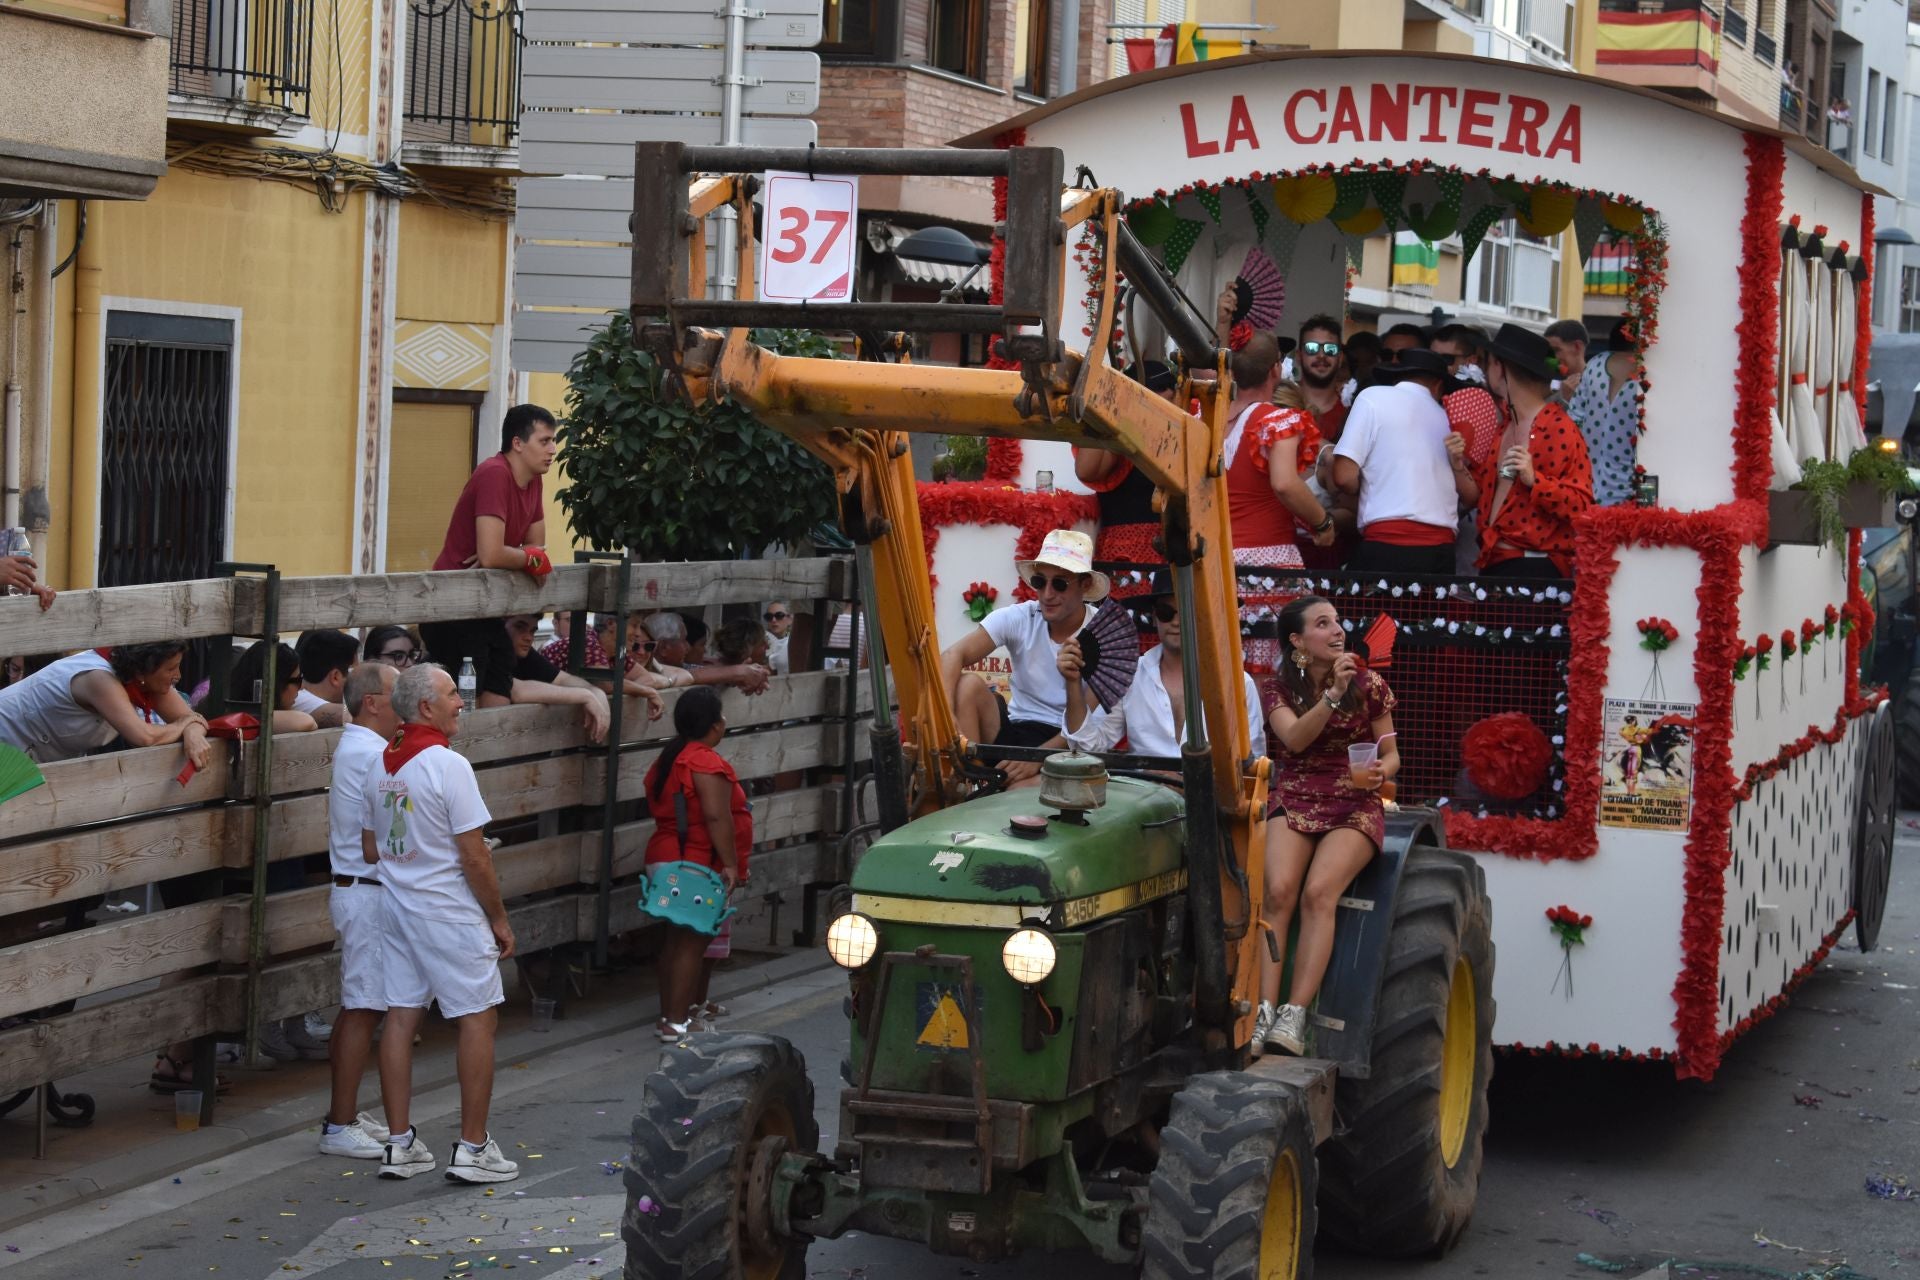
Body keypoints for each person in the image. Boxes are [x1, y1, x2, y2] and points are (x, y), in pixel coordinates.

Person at [370, 663, 518, 1184]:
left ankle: (399, 1145)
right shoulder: (448, 764)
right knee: (477, 1017)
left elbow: (372, 844)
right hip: (447, 909)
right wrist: (498, 917)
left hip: (397, 904)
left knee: (401, 1016)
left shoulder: (381, 762)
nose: (461, 702)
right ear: (426, 707)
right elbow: (475, 856)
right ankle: (473, 1148)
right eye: (453, 694)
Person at [1257, 595, 1399, 1057]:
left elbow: (1392, 754)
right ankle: (1262, 1011)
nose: (1338, 630)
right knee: (1277, 892)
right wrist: (1332, 695)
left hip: (1355, 802)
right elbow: (1295, 740)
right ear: (1298, 641)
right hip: (1296, 793)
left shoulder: (1369, 683)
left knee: (1319, 892)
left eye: (1337, 621)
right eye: (1323, 624)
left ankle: (1294, 1016)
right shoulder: (1277, 688)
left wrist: (1381, 772)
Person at [420, 404, 560, 711]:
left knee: (499, 680)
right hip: (454, 607)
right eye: (545, 441)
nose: (552, 449)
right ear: (518, 443)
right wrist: (520, 556)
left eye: (553, 441)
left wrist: (516, 555)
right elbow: (494, 553)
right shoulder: (495, 473)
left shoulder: (534, 479)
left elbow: (537, 549)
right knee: (467, 695)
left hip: (487, 605)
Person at [942, 529, 1108, 785]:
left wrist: (1037, 758)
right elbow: (953, 654)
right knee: (967, 685)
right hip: (1017, 728)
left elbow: (1084, 730)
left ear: (1084, 585)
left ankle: (980, 792)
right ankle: (972, 782)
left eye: (1060, 584)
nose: (1047, 594)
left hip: (1070, 745)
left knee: (1017, 791)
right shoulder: (1021, 616)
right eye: (1040, 582)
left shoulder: (1105, 634)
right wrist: (946, 715)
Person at [318, 662, 400, 1159]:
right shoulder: (370, 753)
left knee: (363, 1006)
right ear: (372, 702)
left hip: (364, 889)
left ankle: (343, 1115)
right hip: (365, 890)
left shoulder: (366, 747)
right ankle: (339, 1124)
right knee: (363, 1007)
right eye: (397, 693)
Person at [1062, 568, 1266, 760]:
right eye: (1166, 613)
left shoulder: (1238, 683)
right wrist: (1073, 683)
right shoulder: (1130, 675)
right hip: (1147, 785)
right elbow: (1088, 748)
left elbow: (1251, 761)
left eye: (1188, 612)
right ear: (1154, 617)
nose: (1176, 622)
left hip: (1208, 785)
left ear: (1205, 617)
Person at [642, 687, 749, 1041]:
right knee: (691, 944)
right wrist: (731, 864)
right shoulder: (704, 762)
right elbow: (717, 817)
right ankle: (676, 1023)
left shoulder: (670, 758)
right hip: (694, 864)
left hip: (666, 859)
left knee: (675, 942)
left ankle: (670, 1016)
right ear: (716, 725)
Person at [1461, 324, 1595, 578]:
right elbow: (1482, 493)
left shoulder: (1558, 428)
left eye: (1488, 363)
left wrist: (1535, 481)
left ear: (1500, 367)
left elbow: (1581, 507)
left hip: (1534, 571)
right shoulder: (1504, 425)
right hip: (1494, 562)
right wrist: (1457, 465)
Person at [1332, 348, 1475, 575]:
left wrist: (1372, 484)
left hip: (1387, 544)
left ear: (1396, 377)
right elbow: (1471, 496)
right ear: (1438, 386)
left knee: (1363, 599)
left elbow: (1343, 476)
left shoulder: (1372, 397)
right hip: (1441, 553)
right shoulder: (1448, 419)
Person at [0, 641, 211, 767]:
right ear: (143, 670)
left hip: (32, 758)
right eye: (171, 668)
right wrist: (184, 725)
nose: (178, 675)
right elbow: (145, 737)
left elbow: (193, 719)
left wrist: (192, 733)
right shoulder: (99, 678)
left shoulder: (146, 679)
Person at [1223, 333, 1334, 571]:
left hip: (1211, 557)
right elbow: (1285, 483)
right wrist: (1322, 522)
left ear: (1232, 370)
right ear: (1275, 370)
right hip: (1265, 555)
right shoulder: (1277, 421)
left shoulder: (1204, 416)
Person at [1074, 361, 1176, 592]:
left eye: (1169, 399)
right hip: (1122, 556)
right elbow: (1085, 470)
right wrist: (1108, 408)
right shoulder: (1122, 432)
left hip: (1170, 554)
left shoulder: (1183, 433)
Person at [503, 613, 638, 740]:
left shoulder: (526, 655)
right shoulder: (495, 652)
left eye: (533, 631)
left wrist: (595, 691)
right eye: (519, 627)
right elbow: (517, 691)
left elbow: (562, 678)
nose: (528, 637)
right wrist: (586, 695)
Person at [1564, 316, 1643, 507]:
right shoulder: (1649, 374)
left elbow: (1572, 423)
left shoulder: (1594, 365)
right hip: (1630, 497)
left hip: (1585, 490)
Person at [646, 611, 771, 694]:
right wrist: (738, 672)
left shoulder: (684, 667)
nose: (688, 647)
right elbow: (686, 676)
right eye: (683, 641)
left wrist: (740, 676)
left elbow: (699, 672)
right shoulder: (644, 670)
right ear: (663, 648)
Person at [223, 640, 321, 735]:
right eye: (297, 680)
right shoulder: (236, 714)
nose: (301, 687)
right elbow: (307, 721)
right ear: (277, 684)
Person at [1295, 316, 1350, 443]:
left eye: (1330, 349)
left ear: (1340, 358)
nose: (1321, 355)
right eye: (1311, 348)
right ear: (1299, 356)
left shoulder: (1351, 413)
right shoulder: (1280, 404)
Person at [293, 629, 357, 729]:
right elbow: (359, 716)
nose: (358, 681)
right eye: (353, 672)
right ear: (335, 677)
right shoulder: (298, 698)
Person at [1544, 319, 1589, 403]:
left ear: (1577, 347)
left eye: (1556, 350)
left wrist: (1563, 399)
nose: (1550, 358)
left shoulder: (1600, 384)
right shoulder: (1546, 383)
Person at [762, 602, 793, 675]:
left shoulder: (794, 642)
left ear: (790, 619)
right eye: (769, 616)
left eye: (779, 615)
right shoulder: (760, 640)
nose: (773, 620)